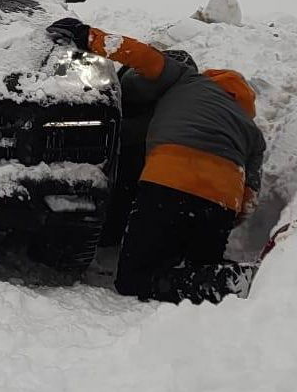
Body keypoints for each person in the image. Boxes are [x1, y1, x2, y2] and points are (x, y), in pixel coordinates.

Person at [47, 17, 264, 303]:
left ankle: (221, 281)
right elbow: (248, 200)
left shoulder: (186, 79)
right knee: (200, 268)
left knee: (133, 279)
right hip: (222, 201)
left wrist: (88, 36)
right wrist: (216, 219)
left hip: (169, 182)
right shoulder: (252, 132)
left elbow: (143, 56)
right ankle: (227, 280)